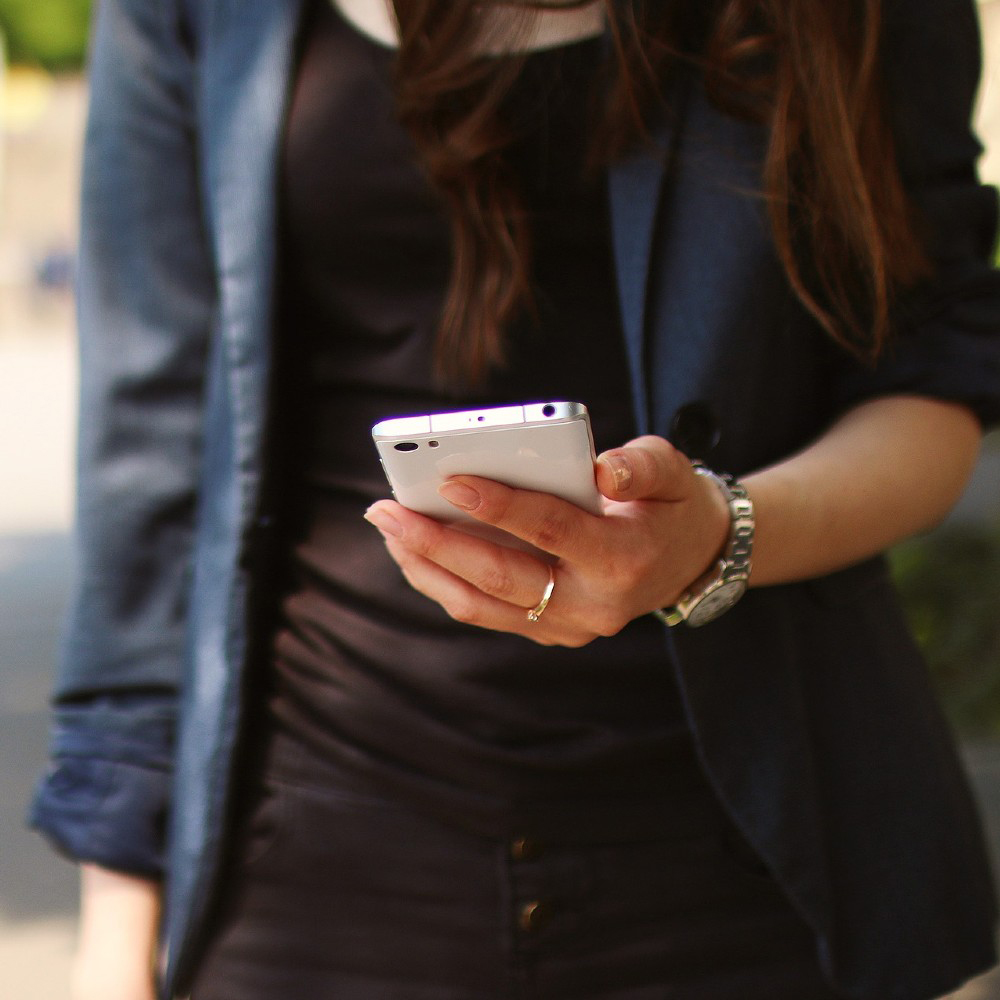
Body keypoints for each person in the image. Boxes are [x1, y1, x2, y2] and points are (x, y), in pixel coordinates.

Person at [28, 0, 1000, 997]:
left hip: (759, 858)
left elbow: (933, 373)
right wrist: (118, 923)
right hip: (307, 862)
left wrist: (719, 536)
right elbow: (152, 456)